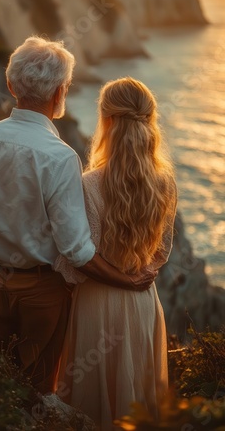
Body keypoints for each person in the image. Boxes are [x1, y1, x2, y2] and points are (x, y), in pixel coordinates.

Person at [0, 37, 156, 394]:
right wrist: (126, 281)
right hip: (40, 290)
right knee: (36, 392)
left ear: (10, 84)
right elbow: (77, 251)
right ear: (60, 93)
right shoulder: (60, 157)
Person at [56, 77, 178, 428]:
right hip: (143, 301)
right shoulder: (165, 181)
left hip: (96, 302)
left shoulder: (89, 183)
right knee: (135, 401)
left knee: (91, 404)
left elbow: (74, 262)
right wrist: (139, 272)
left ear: (107, 121)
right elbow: (161, 251)